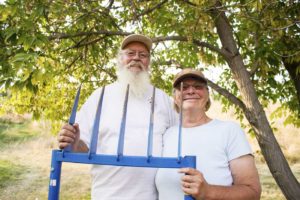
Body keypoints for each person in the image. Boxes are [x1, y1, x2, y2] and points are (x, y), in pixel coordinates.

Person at [57, 34, 177, 200]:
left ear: (149, 62)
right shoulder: (100, 96)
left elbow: (180, 142)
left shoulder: (163, 99)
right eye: (130, 53)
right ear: (120, 59)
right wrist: (74, 142)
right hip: (108, 194)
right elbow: (80, 147)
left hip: (154, 196)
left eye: (143, 55)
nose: (136, 58)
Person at [155, 68, 261, 200]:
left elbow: (252, 192)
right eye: (184, 87)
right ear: (175, 97)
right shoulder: (167, 135)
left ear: (207, 95)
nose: (191, 91)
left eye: (198, 87)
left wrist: (208, 192)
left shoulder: (229, 131)